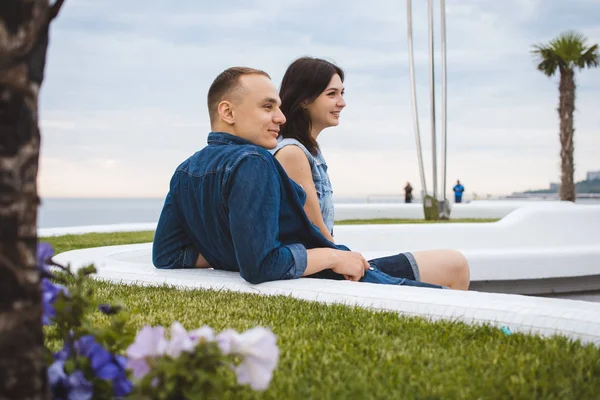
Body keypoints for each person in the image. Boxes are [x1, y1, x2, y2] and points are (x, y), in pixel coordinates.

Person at [152, 66, 470, 290]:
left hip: (330, 274)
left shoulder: (185, 170)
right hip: (331, 280)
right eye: (267, 107)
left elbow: (166, 255)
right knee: (458, 303)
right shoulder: (254, 163)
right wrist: (331, 256)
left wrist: (229, 250)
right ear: (228, 112)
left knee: (452, 268)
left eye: (278, 106)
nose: (281, 117)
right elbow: (260, 266)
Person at [269, 57, 469, 289]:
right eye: (332, 94)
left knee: (456, 264)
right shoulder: (292, 152)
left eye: (342, 93)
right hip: (323, 276)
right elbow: (318, 237)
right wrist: (349, 261)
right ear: (304, 99)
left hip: (333, 266)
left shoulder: (308, 150)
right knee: (447, 297)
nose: (342, 102)